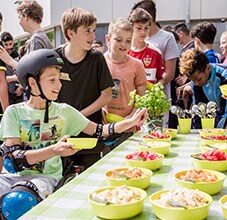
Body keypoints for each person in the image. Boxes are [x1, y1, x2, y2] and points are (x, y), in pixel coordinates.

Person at [0, 49, 147, 219]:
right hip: (12, 177)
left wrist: (130, 122)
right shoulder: (14, 112)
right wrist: (55, 149)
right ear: (33, 83)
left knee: (17, 202)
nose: (59, 85)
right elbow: (14, 159)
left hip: (45, 178)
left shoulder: (64, 112)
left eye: (59, 79)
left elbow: (100, 132)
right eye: (52, 80)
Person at [55, 8, 114, 168]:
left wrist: (78, 117)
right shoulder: (54, 58)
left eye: (94, 30)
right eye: (87, 31)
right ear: (70, 32)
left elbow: (107, 95)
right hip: (61, 137)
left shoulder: (97, 58)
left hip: (90, 137)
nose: (93, 36)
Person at [131, 0, 179, 128]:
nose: (142, 31)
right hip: (133, 102)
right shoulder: (130, 43)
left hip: (156, 101)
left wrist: (151, 91)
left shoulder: (167, 38)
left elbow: (169, 74)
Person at [103, 18, 146, 152]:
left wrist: (133, 116)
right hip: (105, 126)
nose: (124, 44)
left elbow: (142, 96)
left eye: (128, 40)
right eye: (119, 39)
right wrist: (101, 111)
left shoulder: (137, 65)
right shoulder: (100, 63)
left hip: (129, 126)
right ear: (108, 40)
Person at [179, 48, 227, 129]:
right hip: (222, 116)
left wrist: (214, 133)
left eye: (199, 79)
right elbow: (199, 110)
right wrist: (197, 132)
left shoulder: (226, 77)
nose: (196, 83)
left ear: (208, 68)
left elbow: (226, 111)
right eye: (193, 81)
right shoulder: (196, 82)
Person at [0, 0, 53, 69]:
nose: (19, 22)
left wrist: (10, 61)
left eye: (19, 17)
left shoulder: (36, 40)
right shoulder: (42, 38)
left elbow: (32, 72)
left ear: (25, 16)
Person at [128, 8, 165, 85]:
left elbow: (160, 79)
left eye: (146, 28)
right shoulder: (125, 52)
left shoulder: (156, 52)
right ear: (131, 28)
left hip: (148, 96)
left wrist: (157, 89)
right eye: (139, 28)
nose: (143, 32)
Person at [1, 32, 23, 105]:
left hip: (18, 94)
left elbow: (21, 71)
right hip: (6, 94)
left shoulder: (16, 54)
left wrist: (21, 85)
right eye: (6, 44)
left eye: (10, 44)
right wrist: (14, 78)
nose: (8, 47)